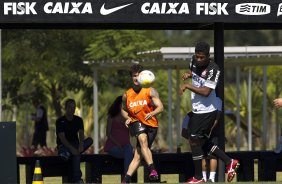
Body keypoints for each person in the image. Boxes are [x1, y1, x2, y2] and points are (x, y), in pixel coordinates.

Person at [179, 41, 239, 183]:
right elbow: (194, 73)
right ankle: (229, 161)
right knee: (198, 140)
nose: (199, 60)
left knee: (193, 139)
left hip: (207, 111)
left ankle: (199, 177)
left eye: (202, 58)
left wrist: (187, 86)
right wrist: (189, 74)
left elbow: (206, 92)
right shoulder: (193, 62)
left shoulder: (214, 69)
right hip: (197, 109)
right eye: (197, 57)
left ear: (208, 56)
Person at [121, 64, 164, 183]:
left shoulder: (150, 91)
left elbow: (160, 107)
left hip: (152, 125)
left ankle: (125, 180)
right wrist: (127, 117)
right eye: (134, 76)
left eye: (138, 75)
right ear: (131, 77)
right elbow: (123, 109)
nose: (136, 78)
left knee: (138, 155)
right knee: (143, 140)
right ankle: (153, 170)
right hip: (137, 122)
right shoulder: (127, 94)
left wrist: (152, 113)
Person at [181, 97, 222, 183]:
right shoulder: (189, 115)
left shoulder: (217, 100)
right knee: (202, 155)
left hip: (209, 132)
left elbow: (216, 119)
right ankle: (203, 177)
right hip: (201, 133)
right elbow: (184, 132)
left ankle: (211, 178)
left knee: (212, 155)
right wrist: (192, 139)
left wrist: (208, 131)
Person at [56, 98, 93, 184]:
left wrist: (80, 145)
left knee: (90, 140)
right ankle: (77, 179)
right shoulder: (60, 121)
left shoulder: (78, 120)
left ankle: (69, 154)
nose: (72, 109)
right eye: (69, 107)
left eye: (73, 107)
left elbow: (81, 134)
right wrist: (72, 149)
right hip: (64, 146)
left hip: (76, 144)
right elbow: (62, 138)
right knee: (75, 154)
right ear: (65, 108)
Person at [104, 96, 134, 174]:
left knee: (128, 150)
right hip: (113, 147)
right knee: (129, 152)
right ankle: (127, 178)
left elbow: (132, 134)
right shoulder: (111, 116)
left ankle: (126, 178)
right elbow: (108, 133)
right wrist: (118, 144)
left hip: (126, 147)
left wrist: (129, 125)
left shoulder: (129, 117)